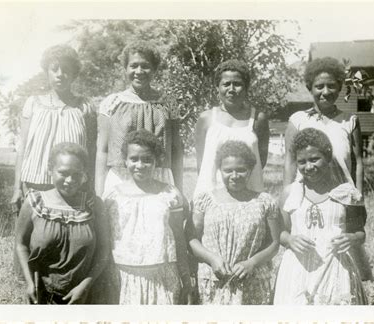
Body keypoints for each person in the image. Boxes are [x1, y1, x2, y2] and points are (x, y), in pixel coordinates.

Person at [10, 44, 96, 279]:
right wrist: (17, 187)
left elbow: (92, 150)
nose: (60, 74)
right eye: (54, 69)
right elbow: (23, 147)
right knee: (32, 243)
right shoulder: (33, 103)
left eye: (66, 69)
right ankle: (32, 292)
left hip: (71, 184)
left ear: (74, 73)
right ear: (46, 71)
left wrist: (91, 186)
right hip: (36, 184)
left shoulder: (84, 106)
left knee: (65, 245)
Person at [282, 56, 372, 281]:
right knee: (309, 245)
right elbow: (291, 160)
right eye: (319, 86)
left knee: (343, 247)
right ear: (309, 88)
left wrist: (357, 195)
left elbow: (357, 161)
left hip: (342, 194)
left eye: (331, 86)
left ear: (340, 87)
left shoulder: (349, 120)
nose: (325, 91)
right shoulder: (298, 119)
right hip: (308, 193)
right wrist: (288, 192)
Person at [274, 128, 367, 305]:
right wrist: (290, 240)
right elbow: (280, 232)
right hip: (297, 270)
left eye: (314, 159)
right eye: (302, 162)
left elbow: (360, 232)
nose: (308, 167)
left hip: (335, 269)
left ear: (328, 157)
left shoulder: (347, 194)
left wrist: (352, 238)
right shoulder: (290, 193)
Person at [102, 129, 191, 304]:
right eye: (134, 159)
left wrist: (186, 277)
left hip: (163, 276)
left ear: (157, 161)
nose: (140, 165)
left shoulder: (169, 194)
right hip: (124, 275)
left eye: (147, 160)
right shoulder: (112, 196)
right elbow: (106, 240)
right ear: (125, 161)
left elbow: (179, 237)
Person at [15, 142, 109, 304]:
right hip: (41, 294)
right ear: (50, 170)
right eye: (63, 173)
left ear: (84, 174)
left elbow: (104, 249)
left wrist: (85, 286)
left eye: (76, 174)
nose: (70, 180)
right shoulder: (34, 202)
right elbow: (20, 244)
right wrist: (30, 283)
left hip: (82, 296)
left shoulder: (94, 205)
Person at [189, 140, 280, 305]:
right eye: (228, 170)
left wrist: (252, 262)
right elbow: (192, 239)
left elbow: (274, 244)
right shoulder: (205, 200)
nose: (234, 175)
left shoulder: (265, 201)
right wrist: (212, 259)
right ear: (219, 170)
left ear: (251, 170)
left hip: (251, 281)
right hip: (215, 279)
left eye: (241, 170)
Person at [95, 41, 183, 199]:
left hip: (159, 177)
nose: (139, 71)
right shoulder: (112, 103)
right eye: (133, 66)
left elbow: (176, 151)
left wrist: (180, 191)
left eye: (145, 66)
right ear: (125, 68)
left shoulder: (168, 104)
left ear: (155, 69)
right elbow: (102, 151)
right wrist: (99, 194)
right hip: (121, 178)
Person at [194, 59, 269, 198]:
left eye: (237, 84)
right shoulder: (206, 119)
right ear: (218, 87)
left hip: (249, 193)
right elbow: (201, 163)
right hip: (212, 194)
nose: (231, 90)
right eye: (226, 84)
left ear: (246, 88)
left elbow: (260, 161)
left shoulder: (259, 119)